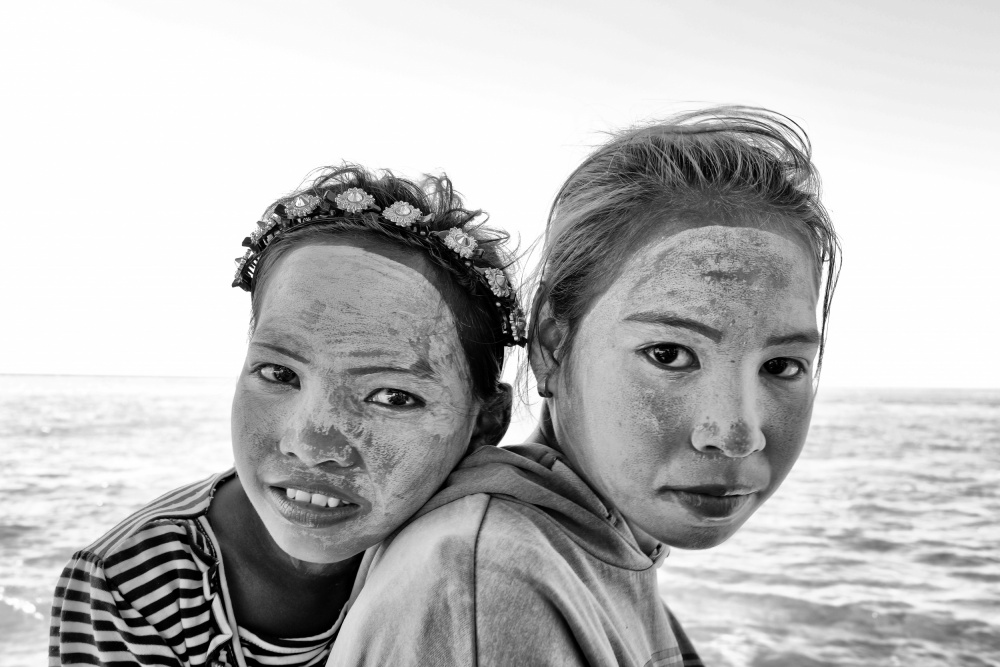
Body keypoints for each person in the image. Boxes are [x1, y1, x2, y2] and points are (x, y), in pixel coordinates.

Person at [328, 108, 841, 667]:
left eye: (783, 366)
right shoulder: (487, 581)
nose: (736, 435)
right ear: (552, 343)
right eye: (669, 354)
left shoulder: (599, 545)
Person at [48, 166, 524, 667]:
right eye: (279, 373)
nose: (312, 445)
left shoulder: (488, 565)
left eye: (393, 397)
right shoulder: (131, 581)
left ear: (485, 424)